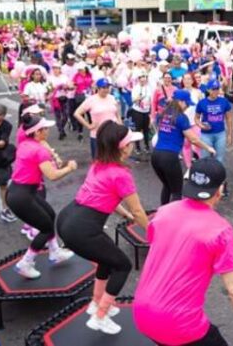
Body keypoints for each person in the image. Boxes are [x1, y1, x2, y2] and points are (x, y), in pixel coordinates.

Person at [133, 157, 233, 346]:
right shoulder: (220, 230)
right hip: (178, 322)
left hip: (141, 311)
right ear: (220, 190)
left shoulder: (164, 211)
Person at [57, 122, 149, 335]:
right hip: (82, 228)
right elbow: (138, 211)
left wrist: (122, 214)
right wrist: (154, 235)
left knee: (106, 260)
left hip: (67, 219)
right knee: (123, 265)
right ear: (123, 147)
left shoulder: (99, 163)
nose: (133, 146)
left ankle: (97, 302)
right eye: (131, 143)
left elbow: (106, 196)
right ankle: (100, 316)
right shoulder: (121, 174)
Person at [6, 115, 77, 279]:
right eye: (45, 128)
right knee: (45, 228)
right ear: (38, 132)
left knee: (50, 216)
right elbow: (52, 175)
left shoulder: (25, 142)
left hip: (20, 191)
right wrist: (70, 168)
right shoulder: (39, 150)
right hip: (22, 196)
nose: (48, 130)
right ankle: (25, 263)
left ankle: (55, 252)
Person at [151, 89, 215, 206]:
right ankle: (173, 218)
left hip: (156, 155)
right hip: (169, 156)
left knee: (167, 185)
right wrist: (208, 148)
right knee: (177, 190)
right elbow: (193, 139)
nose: (187, 107)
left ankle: (163, 213)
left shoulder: (163, 113)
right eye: (186, 103)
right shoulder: (181, 117)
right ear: (180, 102)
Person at [195, 79, 233, 188]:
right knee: (205, 159)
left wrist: (230, 134)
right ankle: (204, 182)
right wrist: (200, 125)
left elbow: (229, 118)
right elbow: (196, 118)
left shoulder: (223, 101)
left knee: (220, 159)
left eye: (217, 89)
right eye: (213, 89)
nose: (216, 91)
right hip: (206, 135)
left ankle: (220, 184)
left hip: (220, 134)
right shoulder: (202, 103)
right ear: (208, 90)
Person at [74, 78, 121, 158]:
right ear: (98, 88)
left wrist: (120, 122)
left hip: (112, 134)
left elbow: (116, 111)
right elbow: (77, 113)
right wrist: (88, 125)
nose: (106, 90)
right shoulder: (91, 100)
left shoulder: (112, 98)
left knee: (113, 159)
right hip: (97, 135)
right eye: (104, 87)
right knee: (98, 160)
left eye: (107, 87)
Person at [130, 71, 152, 155]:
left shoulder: (149, 88)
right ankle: (137, 147)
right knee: (138, 130)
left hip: (146, 112)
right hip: (137, 111)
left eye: (144, 80)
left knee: (146, 130)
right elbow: (133, 100)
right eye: (141, 80)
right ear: (139, 80)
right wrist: (138, 98)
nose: (143, 82)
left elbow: (151, 100)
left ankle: (147, 146)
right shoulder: (135, 88)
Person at [47, 63, 70, 140]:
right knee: (58, 116)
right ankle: (61, 132)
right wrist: (55, 88)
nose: (55, 70)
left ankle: (62, 128)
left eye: (57, 68)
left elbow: (70, 86)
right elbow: (48, 88)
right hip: (55, 99)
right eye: (54, 68)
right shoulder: (50, 78)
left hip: (64, 97)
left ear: (60, 69)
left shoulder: (64, 77)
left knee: (66, 115)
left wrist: (65, 87)